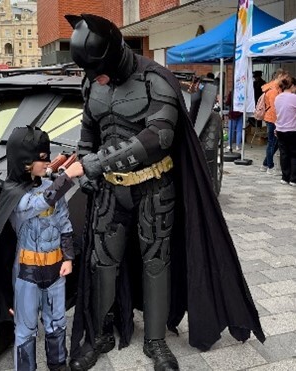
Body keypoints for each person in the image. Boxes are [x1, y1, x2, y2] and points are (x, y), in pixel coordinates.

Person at [65, 13, 265, 371]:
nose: (98, 79)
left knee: (156, 263)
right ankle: (100, 334)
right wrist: (87, 170)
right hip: (111, 192)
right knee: (103, 263)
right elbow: (87, 136)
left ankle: (155, 341)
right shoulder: (93, 83)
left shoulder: (155, 79)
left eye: (100, 70)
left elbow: (158, 137)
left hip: (154, 186)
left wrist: (97, 163)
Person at [0, 126, 84, 371]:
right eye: (42, 159)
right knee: (25, 329)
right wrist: (66, 177)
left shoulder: (50, 186)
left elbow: (64, 223)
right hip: (27, 273)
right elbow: (38, 203)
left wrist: (68, 257)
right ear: (25, 163)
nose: (46, 162)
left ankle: (58, 364)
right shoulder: (15, 194)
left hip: (55, 269)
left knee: (57, 322)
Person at [260, 68, 286, 175]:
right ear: (279, 77)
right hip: (273, 118)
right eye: (284, 78)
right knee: (272, 143)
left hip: (271, 118)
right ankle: (270, 166)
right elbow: (275, 107)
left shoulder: (271, 88)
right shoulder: (273, 90)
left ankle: (265, 164)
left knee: (274, 143)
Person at [274, 74, 296, 186]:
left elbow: (278, 114)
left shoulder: (277, 98)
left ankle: (284, 177)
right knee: (294, 154)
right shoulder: (294, 98)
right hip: (292, 129)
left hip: (280, 129)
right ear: (292, 86)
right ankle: (293, 179)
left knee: (284, 154)